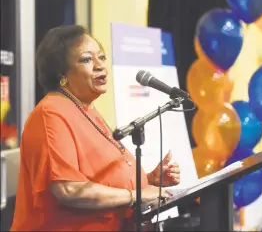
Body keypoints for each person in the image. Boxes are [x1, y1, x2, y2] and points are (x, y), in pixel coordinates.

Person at [11, 25, 181, 231]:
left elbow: (102, 177)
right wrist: (135, 195)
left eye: (102, 57)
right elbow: (68, 189)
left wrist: (149, 179)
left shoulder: (87, 110)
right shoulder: (51, 114)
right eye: (86, 59)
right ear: (61, 73)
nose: (100, 66)